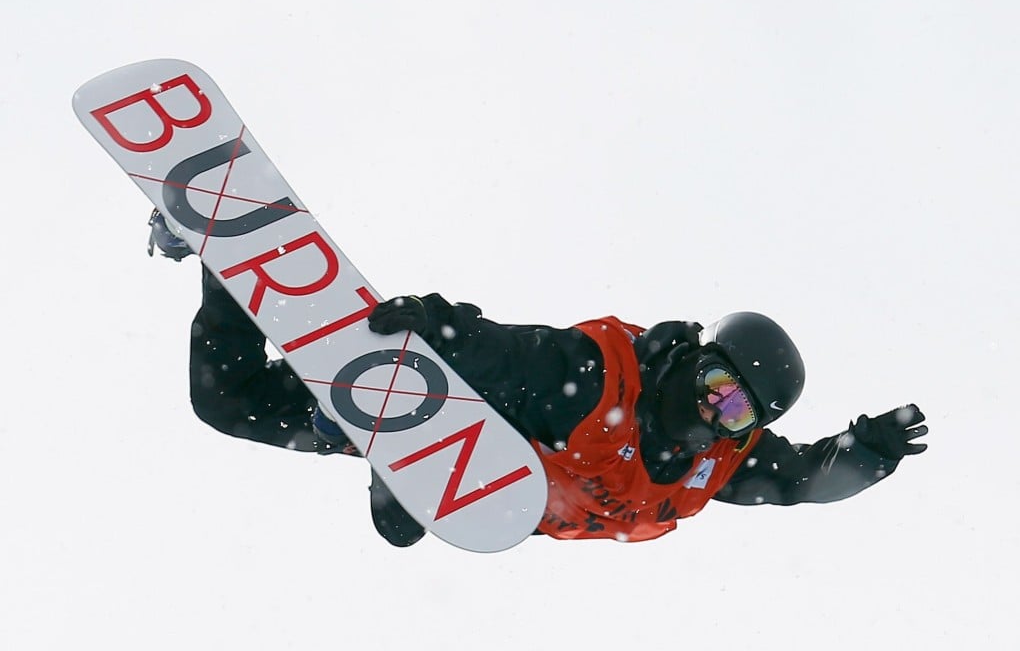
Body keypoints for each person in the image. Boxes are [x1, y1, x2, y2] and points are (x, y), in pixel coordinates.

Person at [150, 211, 928, 547]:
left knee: (230, 407)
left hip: (491, 484)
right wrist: (437, 325)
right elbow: (505, 353)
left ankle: (402, 468)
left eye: (734, 414)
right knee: (225, 399)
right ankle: (227, 268)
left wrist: (869, 453)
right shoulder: (598, 379)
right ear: (694, 357)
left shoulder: (717, 465)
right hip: (477, 408)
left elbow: (801, 481)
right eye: (715, 385)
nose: (712, 412)